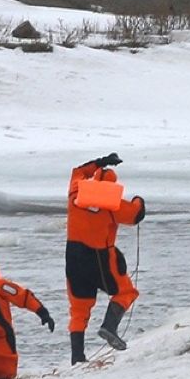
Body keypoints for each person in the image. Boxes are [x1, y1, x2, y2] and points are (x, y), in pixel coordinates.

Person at [65, 153, 146, 362]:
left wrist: (101, 161)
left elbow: (78, 171)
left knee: (79, 307)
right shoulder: (113, 204)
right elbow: (136, 215)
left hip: (73, 256)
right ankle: (109, 327)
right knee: (126, 291)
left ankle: (77, 356)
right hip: (100, 256)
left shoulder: (75, 193)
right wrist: (139, 200)